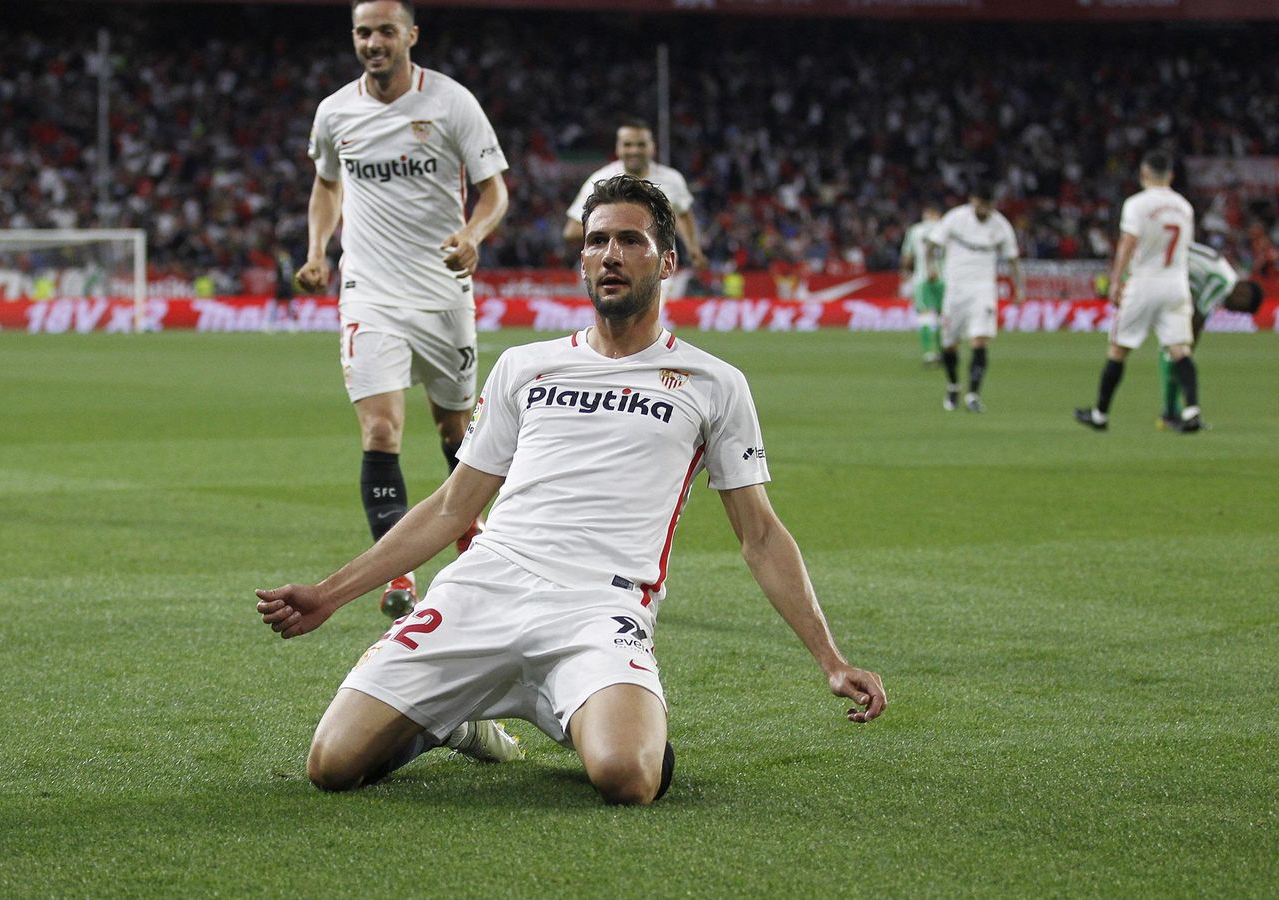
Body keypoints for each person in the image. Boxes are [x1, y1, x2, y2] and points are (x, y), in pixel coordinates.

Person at [257, 175, 886, 805]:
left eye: (631, 241)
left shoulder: (714, 383)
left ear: (667, 262)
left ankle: (592, 713)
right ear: (582, 258)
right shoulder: (524, 366)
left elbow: (761, 535)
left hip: (599, 607)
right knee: (332, 765)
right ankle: (455, 721)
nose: (611, 255)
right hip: (484, 588)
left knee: (627, 778)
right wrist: (328, 595)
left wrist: (832, 660)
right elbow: (452, 506)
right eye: (597, 241)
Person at [295, 0, 509, 614]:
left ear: (410, 35)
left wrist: (473, 234)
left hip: (442, 292)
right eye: (363, 32)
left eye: (385, 31)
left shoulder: (451, 102)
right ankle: (398, 577)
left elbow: (494, 191)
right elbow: (327, 184)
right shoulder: (335, 112)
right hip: (370, 294)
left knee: (455, 430)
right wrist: (317, 251)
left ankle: (470, 540)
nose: (373, 42)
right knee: (381, 429)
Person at [1075, 151, 1200, 433]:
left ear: (1144, 174)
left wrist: (1116, 281)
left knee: (1118, 348)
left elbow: (1128, 242)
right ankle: (1192, 411)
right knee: (1179, 349)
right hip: (1176, 283)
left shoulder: (1136, 204)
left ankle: (1100, 414)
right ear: (1170, 175)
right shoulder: (1184, 207)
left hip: (1144, 282)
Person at [564, 119, 702, 301]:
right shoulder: (600, 181)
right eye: (628, 145)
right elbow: (571, 231)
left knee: (648, 315)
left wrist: (694, 250)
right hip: (612, 268)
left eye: (641, 144)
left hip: (656, 270)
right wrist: (618, 230)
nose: (634, 150)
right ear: (618, 148)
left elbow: (683, 214)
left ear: (652, 147)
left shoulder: (671, 180)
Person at [925, 183, 1025, 413]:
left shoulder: (1001, 225)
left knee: (980, 340)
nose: (984, 209)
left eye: (988, 205)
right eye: (981, 204)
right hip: (955, 288)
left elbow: (1013, 259)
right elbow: (931, 244)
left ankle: (973, 395)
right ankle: (953, 385)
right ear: (972, 200)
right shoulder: (956, 218)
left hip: (983, 289)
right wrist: (930, 268)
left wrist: (1019, 288)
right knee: (949, 344)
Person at [1153, 241, 1263, 431]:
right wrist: (1187, 352)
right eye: (1240, 309)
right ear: (1243, 294)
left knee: (1173, 348)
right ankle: (1170, 412)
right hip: (1158, 271)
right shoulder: (1223, 283)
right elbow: (1198, 317)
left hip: (1163, 266)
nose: (1233, 312)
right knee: (1175, 349)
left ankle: (1170, 411)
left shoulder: (1224, 275)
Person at [900, 205, 944, 366]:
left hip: (921, 278)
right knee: (942, 315)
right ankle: (943, 352)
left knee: (924, 314)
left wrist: (906, 274)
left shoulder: (915, 230)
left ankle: (928, 353)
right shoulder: (945, 229)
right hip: (943, 277)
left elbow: (907, 257)